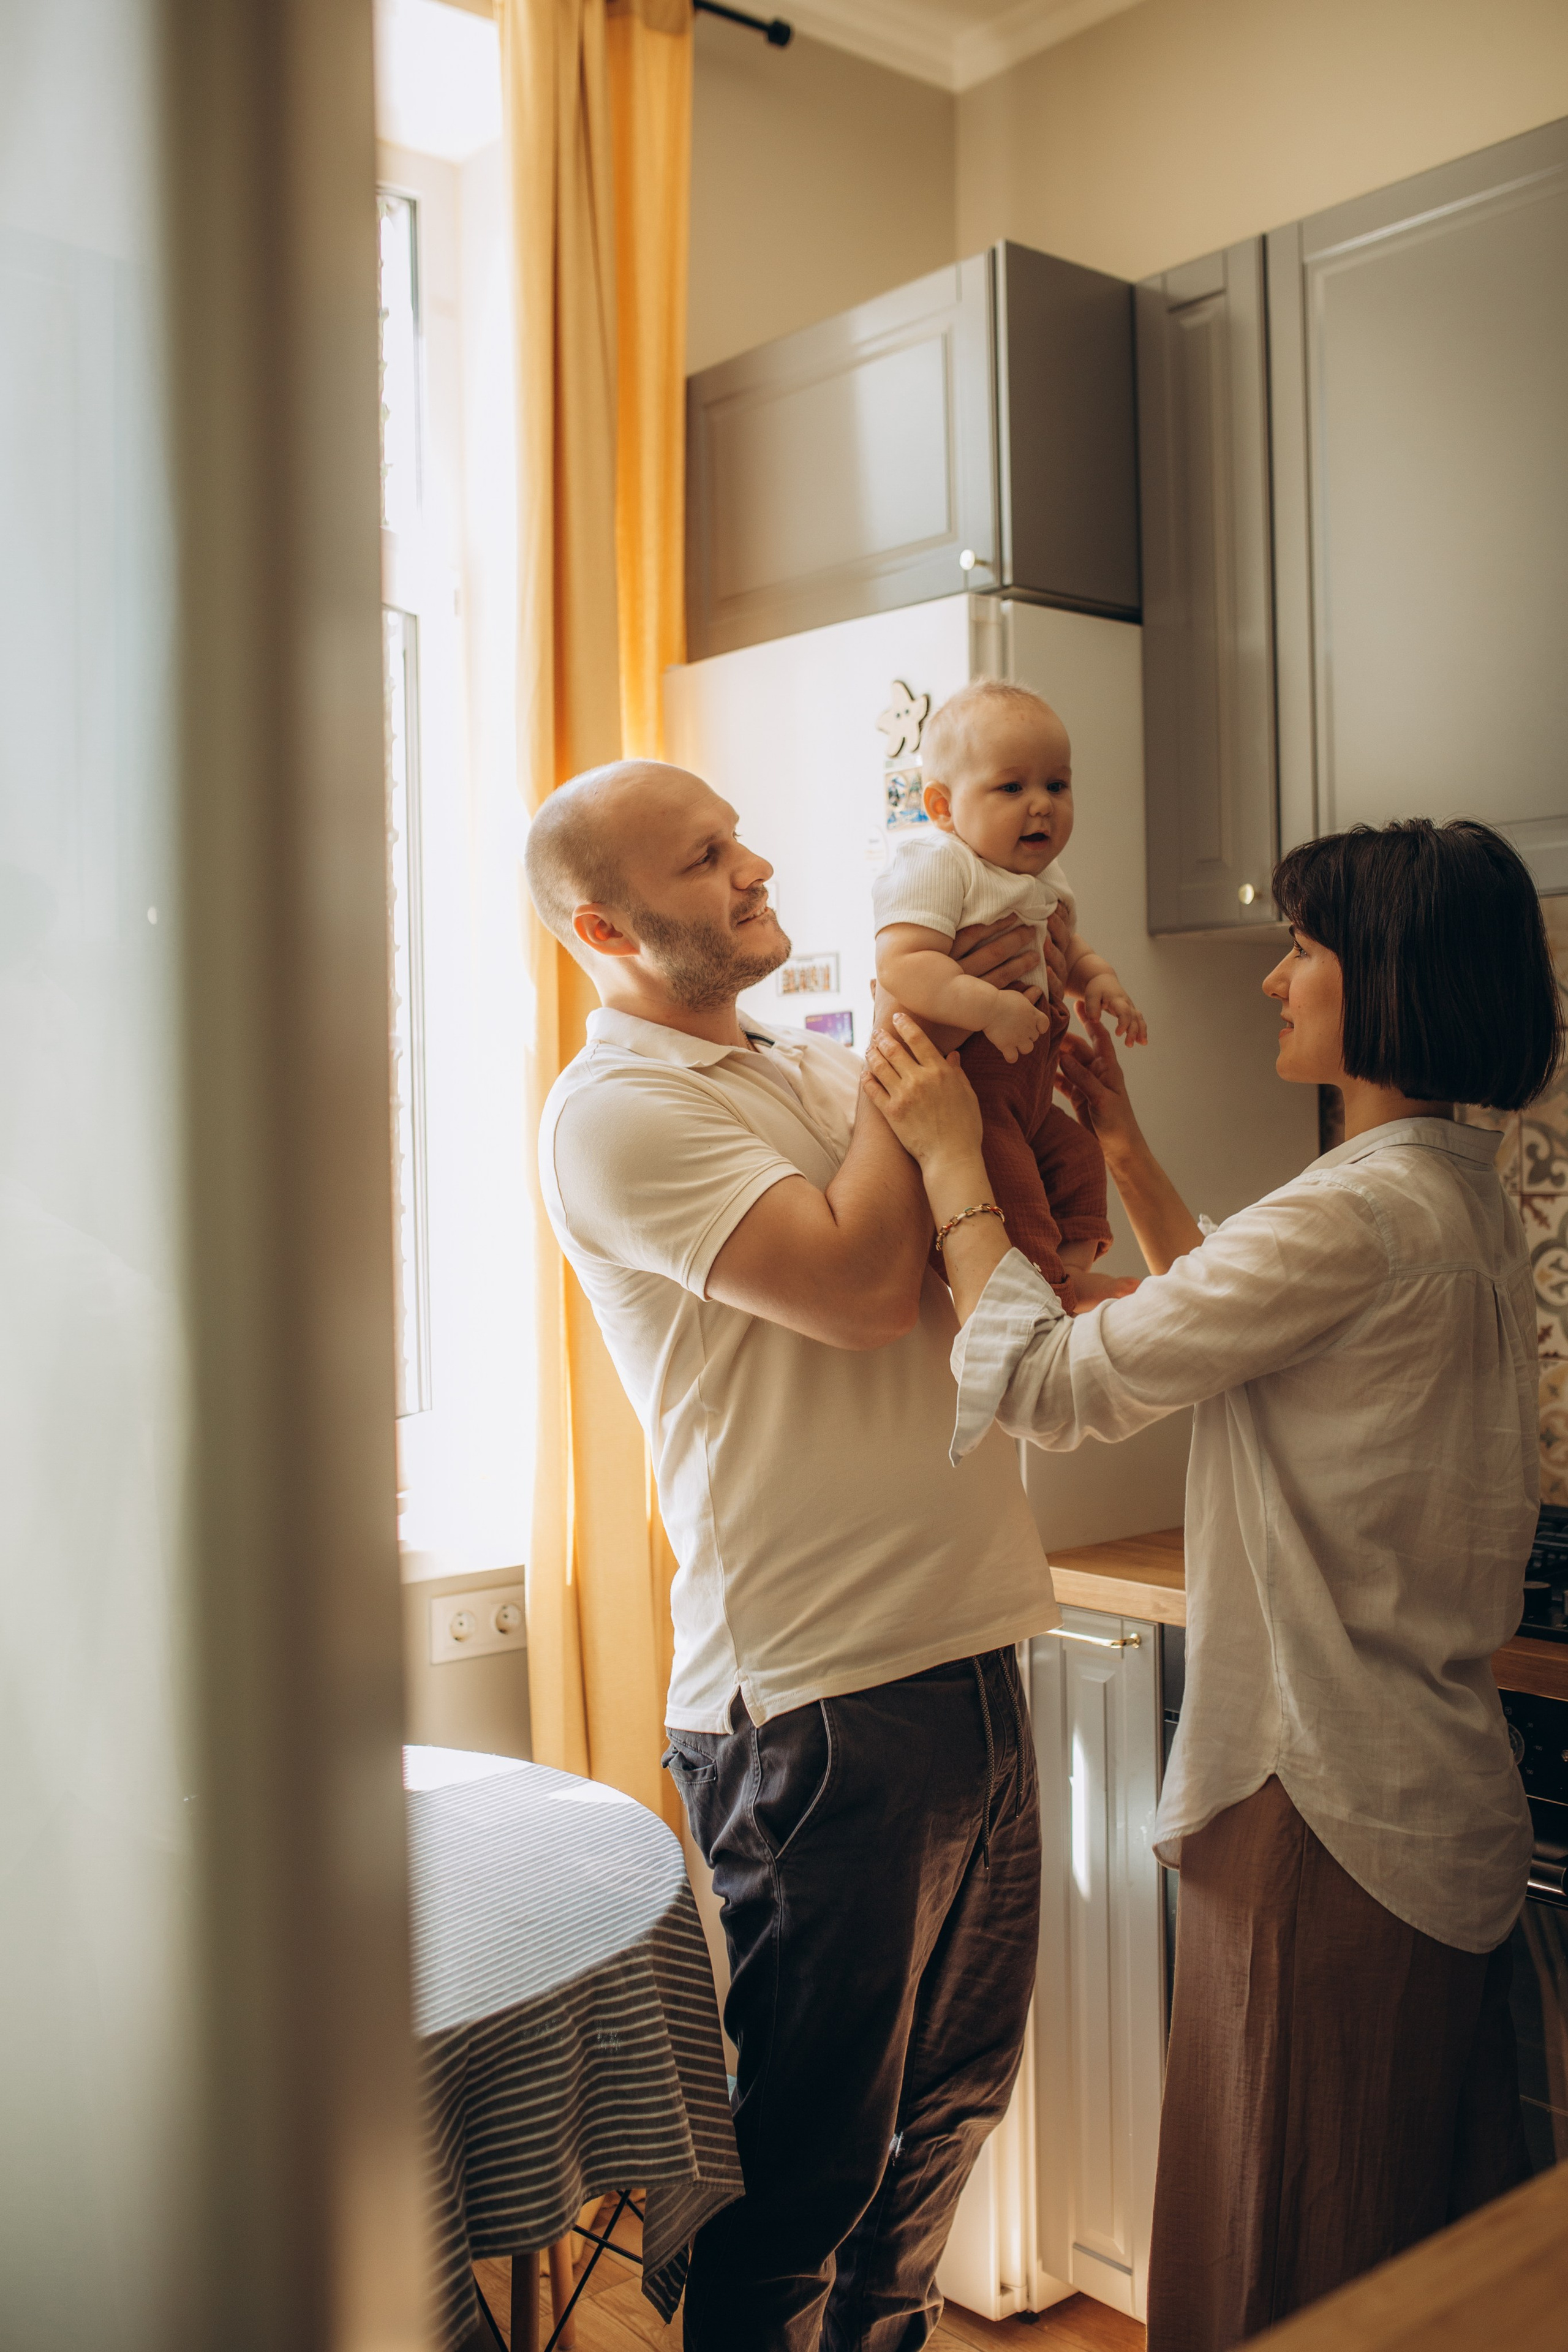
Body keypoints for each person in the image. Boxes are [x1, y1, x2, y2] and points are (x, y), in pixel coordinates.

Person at [862, 816, 1559, 2350]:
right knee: (1408, 2256)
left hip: (1317, 1799)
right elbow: (1231, 1306)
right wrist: (1115, 1144)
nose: (1272, 982)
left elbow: (1048, 1384)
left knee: (1277, 2248)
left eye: (1300, 948)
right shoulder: (1450, 1194)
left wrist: (945, 1157)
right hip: (1429, 1798)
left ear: (1381, 980)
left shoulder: (1358, 1207)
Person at [524, 758, 1060, 2352]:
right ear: (610, 929)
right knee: (807, 2178)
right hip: (817, 1702)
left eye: (740, 837)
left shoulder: (809, 1073)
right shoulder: (613, 1117)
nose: (756, 867)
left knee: (953, 2118)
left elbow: (980, 1250)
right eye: (706, 858)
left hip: (972, 1650)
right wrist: (921, 1056)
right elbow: (859, 1287)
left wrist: (958, 1059)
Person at [873, 679, 1143, 1311]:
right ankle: (1040, 1292)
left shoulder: (1043, 876)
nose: (1042, 806)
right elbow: (902, 966)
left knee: (1077, 1157)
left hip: (1029, 1087)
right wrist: (989, 1008)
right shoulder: (941, 865)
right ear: (941, 807)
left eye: (1056, 785)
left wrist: (1101, 982)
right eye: (1011, 787)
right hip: (969, 1089)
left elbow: (1066, 949)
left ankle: (1066, 1272)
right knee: (1012, 1187)